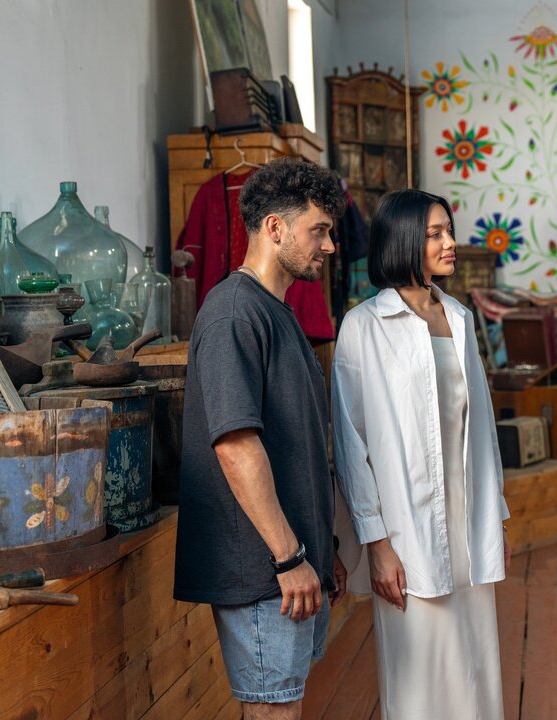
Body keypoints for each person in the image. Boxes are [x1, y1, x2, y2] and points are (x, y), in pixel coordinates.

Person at [174, 157, 348, 719]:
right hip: (264, 570)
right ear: (275, 227)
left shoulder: (277, 312)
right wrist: (289, 556)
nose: (329, 246)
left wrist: (323, 549)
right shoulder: (232, 313)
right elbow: (235, 446)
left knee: (285, 706)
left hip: (294, 563)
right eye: (319, 231)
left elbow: (297, 443)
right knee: (274, 711)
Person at [332, 189, 511, 720]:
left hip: (468, 521)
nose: (451, 242)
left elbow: (481, 426)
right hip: (405, 527)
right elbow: (351, 443)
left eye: (448, 231)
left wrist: (497, 514)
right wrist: (377, 544)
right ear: (404, 239)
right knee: (419, 675)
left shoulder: (460, 317)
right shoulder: (364, 326)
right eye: (435, 234)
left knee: (476, 665)